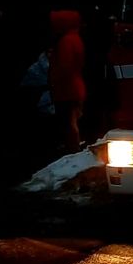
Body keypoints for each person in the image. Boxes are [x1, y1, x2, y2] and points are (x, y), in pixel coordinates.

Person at [47, 9, 86, 156]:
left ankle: (73, 149)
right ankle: (73, 147)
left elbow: (65, 67)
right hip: (74, 86)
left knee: (69, 121)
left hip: (68, 89)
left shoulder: (66, 41)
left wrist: (54, 79)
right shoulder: (74, 38)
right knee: (72, 118)